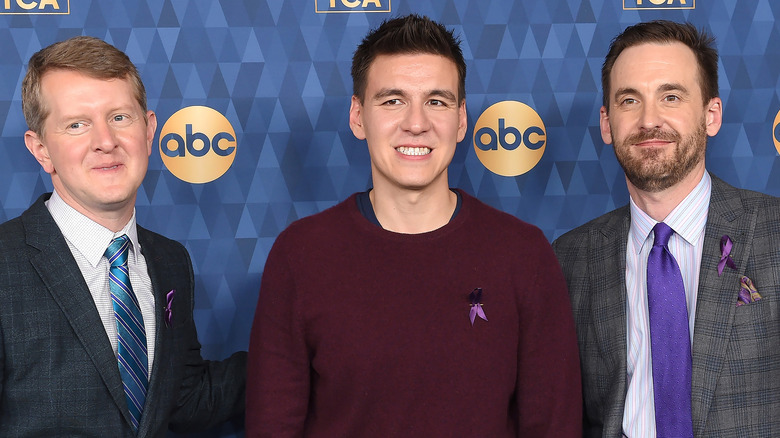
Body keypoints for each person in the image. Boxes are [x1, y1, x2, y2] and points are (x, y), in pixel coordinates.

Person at [246, 14, 581, 437]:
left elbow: (553, 426)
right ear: (357, 116)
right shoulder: (300, 255)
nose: (416, 123)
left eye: (436, 101)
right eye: (392, 100)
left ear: (461, 121)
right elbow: (272, 426)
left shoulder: (524, 254)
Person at [0, 36, 246, 436]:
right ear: (41, 149)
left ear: (149, 130)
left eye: (119, 117)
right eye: (77, 125)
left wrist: (300, 355)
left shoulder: (169, 261)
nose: (105, 142)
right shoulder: (5, 262)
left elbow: (183, 398)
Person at [552, 20, 780, 437]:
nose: (649, 120)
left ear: (711, 115)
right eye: (628, 101)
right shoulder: (569, 258)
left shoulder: (775, 232)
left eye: (671, 96)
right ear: (606, 124)